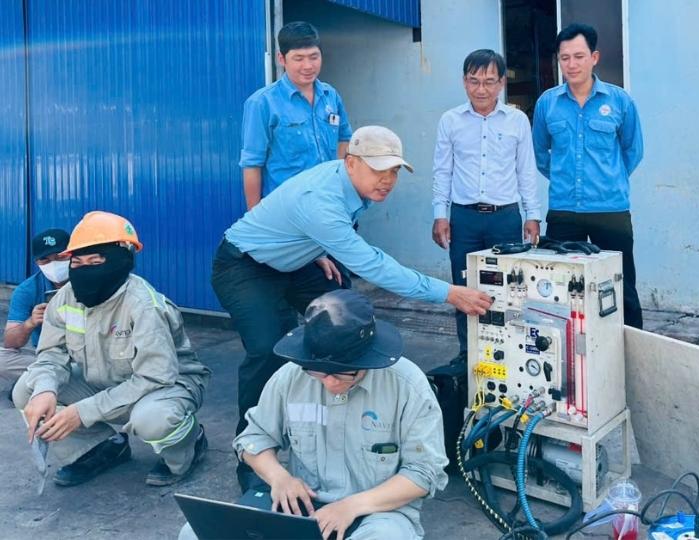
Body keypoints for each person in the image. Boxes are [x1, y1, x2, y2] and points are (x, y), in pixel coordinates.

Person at [212, 125, 492, 491]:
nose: (387, 180)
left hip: (297, 262)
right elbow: (372, 265)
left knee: (352, 319)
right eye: (379, 170)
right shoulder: (321, 200)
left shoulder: (348, 187)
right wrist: (448, 293)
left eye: (394, 171)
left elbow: (315, 228)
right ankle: (252, 461)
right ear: (351, 163)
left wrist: (316, 249)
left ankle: (360, 429)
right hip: (245, 266)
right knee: (267, 349)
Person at [179, 289, 447, 540]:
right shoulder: (291, 376)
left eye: (344, 374)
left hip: (377, 511)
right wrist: (279, 478)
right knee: (193, 533)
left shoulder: (407, 385)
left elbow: (423, 473)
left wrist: (350, 506)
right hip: (301, 508)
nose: (329, 383)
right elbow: (253, 439)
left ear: (368, 358)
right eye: (318, 373)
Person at [13, 211, 210, 487]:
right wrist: (46, 387)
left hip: (163, 388)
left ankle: (190, 444)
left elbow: (155, 377)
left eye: (96, 261)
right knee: (28, 389)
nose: (85, 270)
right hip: (103, 384)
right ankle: (102, 448)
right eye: (78, 262)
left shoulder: (143, 305)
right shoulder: (66, 298)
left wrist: (82, 412)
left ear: (122, 260)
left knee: (154, 420)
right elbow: (51, 354)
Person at [431, 49, 541, 362]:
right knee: (463, 288)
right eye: (474, 81)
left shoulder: (517, 120)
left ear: (502, 83)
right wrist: (440, 215)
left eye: (490, 82)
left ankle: (509, 356)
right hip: (463, 220)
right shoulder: (450, 121)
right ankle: (468, 355)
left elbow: (526, 171)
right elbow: (443, 171)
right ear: (464, 82)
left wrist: (532, 215)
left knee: (508, 290)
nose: (482, 89)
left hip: (505, 219)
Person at [532, 23, 645, 328]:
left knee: (621, 290)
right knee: (558, 291)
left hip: (611, 211)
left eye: (579, 56)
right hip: (564, 212)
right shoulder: (547, 103)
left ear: (594, 57)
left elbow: (632, 151)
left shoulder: (619, 101)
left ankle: (627, 359)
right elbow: (541, 154)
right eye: (565, 58)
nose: (572, 64)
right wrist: (561, 178)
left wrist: (610, 179)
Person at [240, 21, 353, 210]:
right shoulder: (262, 103)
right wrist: (256, 218)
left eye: (314, 57)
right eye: (298, 58)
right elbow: (252, 164)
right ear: (281, 59)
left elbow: (344, 138)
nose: (308, 66)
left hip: (330, 205)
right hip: (287, 211)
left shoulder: (330, 96)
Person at [2, 229, 71, 390]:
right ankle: (50, 380)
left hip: (89, 356)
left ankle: (37, 382)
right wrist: (30, 323)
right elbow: (10, 342)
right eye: (45, 260)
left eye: (60, 256)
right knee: (2, 360)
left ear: (72, 254)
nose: (53, 264)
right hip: (47, 357)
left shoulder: (90, 280)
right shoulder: (27, 290)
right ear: (36, 262)